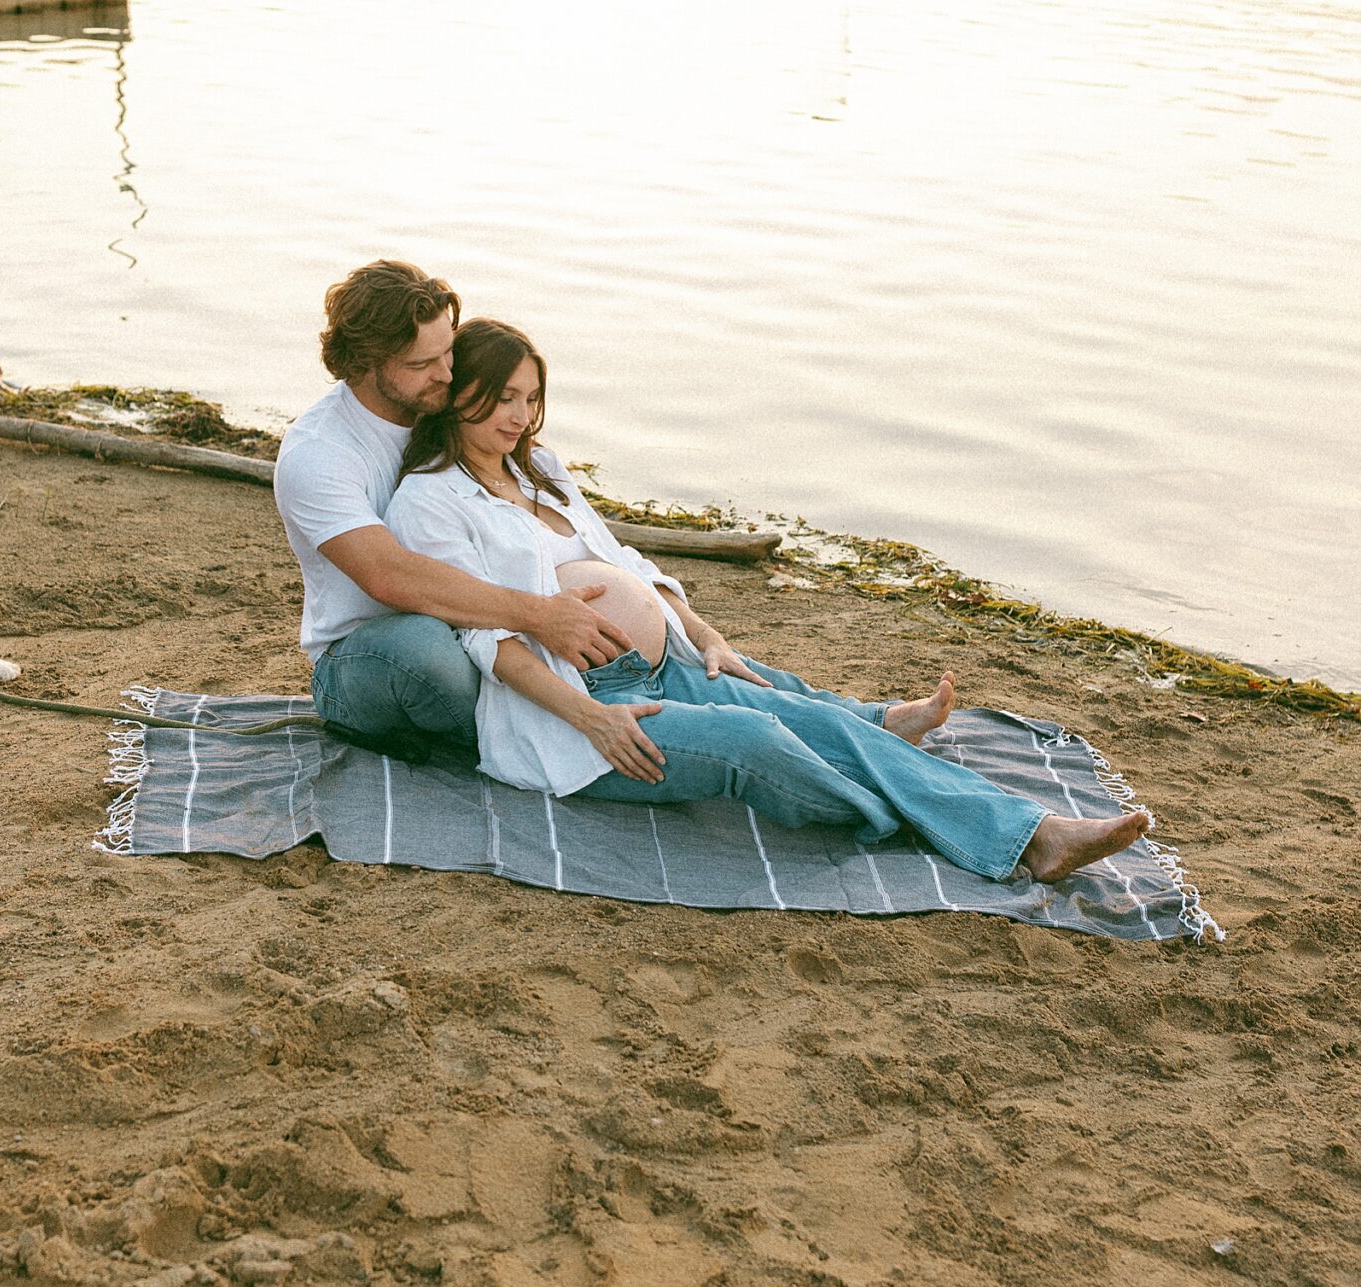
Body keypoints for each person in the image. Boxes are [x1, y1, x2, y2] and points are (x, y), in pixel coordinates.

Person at [384, 318, 1153, 888]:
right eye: (499, 400)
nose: (518, 417)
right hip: (579, 713)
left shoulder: (539, 470)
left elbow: (624, 564)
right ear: (457, 399)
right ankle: (936, 816)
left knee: (809, 718)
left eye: (529, 398)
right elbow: (488, 639)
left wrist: (703, 632)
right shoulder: (429, 504)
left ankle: (1033, 834)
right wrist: (592, 717)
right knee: (759, 739)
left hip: (664, 668)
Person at [273, 261, 632, 766]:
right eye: (423, 364)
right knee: (424, 650)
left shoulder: (444, 406)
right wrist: (539, 613)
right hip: (368, 654)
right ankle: (542, 735)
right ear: (364, 364)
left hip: (481, 628)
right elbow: (388, 576)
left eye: (448, 351)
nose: (446, 373)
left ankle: (581, 712)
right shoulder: (320, 452)